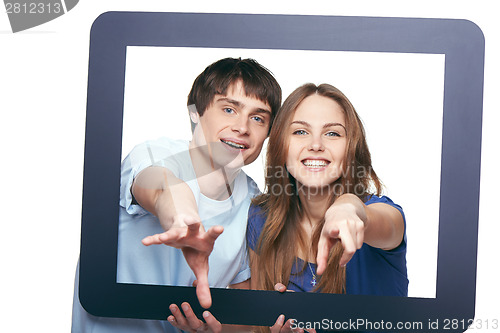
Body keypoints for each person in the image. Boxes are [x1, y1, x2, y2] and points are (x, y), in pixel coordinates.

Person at [168, 83, 407, 333]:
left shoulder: (384, 214)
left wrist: (348, 207)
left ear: (351, 149)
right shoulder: (262, 219)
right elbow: (254, 326)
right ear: (282, 145)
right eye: (301, 132)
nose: (316, 144)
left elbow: (379, 221)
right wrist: (213, 331)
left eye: (333, 134)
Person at [71, 57, 282, 332]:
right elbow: (162, 186)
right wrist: (182, 219)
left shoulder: (253, 200)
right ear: (195, 112)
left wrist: (212, 330)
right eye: (229, 109)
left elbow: (242, 314)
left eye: (257, 117)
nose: (242, 127)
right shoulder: (156, 153)